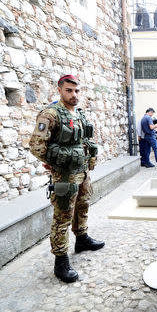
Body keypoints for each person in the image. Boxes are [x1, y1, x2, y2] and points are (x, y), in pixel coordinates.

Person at [29, 74, 105, 283]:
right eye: (69, 90)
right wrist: (52, 162)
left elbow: (83, 141)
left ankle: (81, 239)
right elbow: (36, 145)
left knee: (83, 205)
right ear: (60, 90)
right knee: (62, 215)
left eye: (77, 90)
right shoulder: (51, 114)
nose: (74, 95)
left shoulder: (79, 114)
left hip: (82, 172)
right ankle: (60, 261)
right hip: (64, 175)